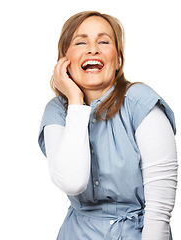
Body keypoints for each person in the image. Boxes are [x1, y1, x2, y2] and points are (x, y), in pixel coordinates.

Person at [38, 11, 178, 240]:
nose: (93, 49)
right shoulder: (57, 111)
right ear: (64, 61)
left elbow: (159, 211)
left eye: (104, 41)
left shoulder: (141, 103)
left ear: (118, 61)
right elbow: (72, 182)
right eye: (80, 42)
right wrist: (75, 100)